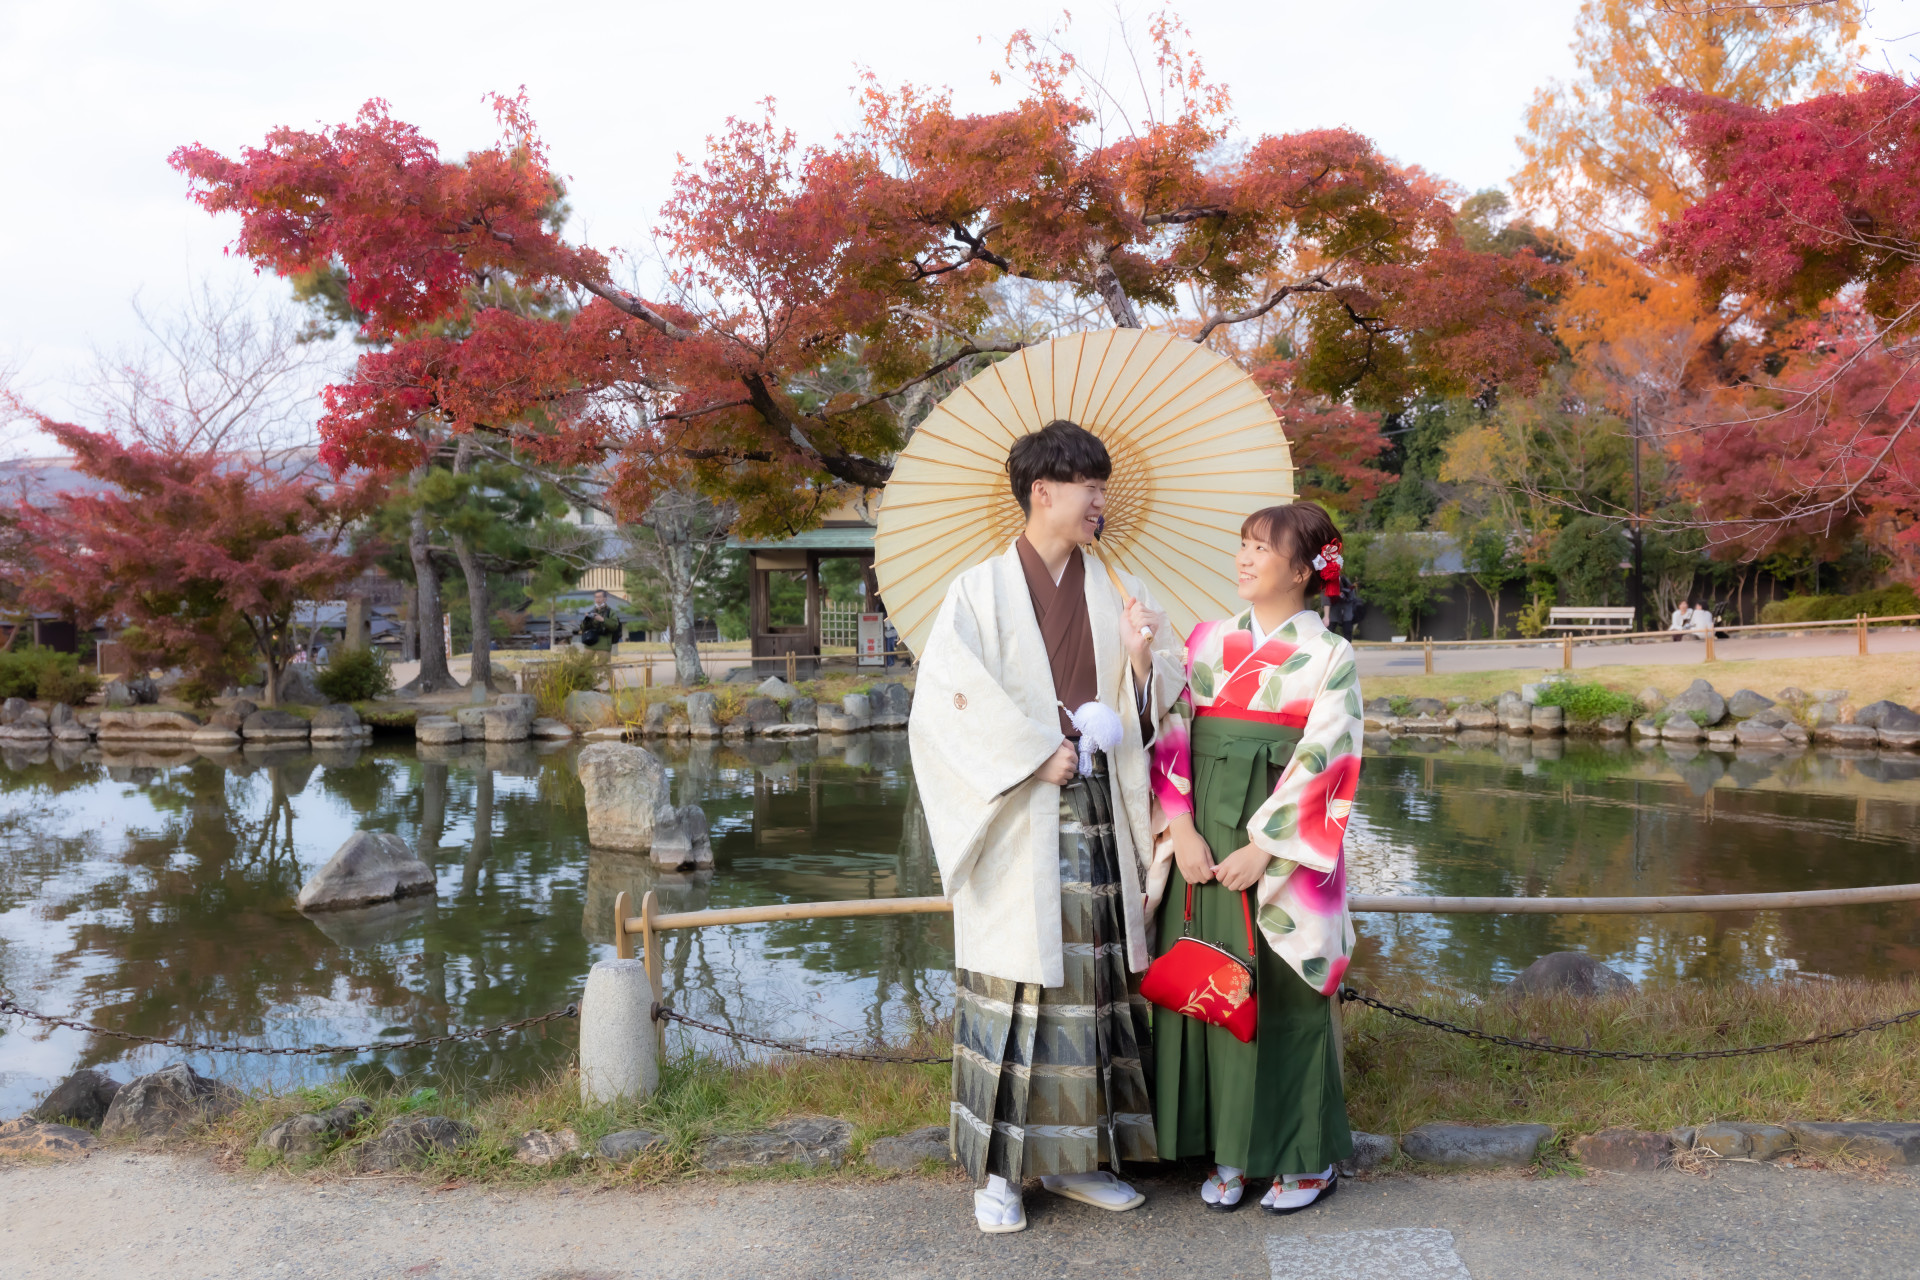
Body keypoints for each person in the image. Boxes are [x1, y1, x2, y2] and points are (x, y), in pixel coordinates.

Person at [909, 419, 1186, 1235]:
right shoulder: (978, 591)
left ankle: (1081, 1158)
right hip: (1019, 816)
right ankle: (999, 1172)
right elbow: (947, 704)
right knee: (1015, 994)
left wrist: (1139, 666)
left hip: (1096, 810)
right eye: (1089, 487)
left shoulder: (1118, 589)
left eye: (1102, 487)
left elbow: (1159, 701)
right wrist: (1036, 755)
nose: (1101, 501)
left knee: (1092, 988)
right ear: (1043, 492)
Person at [1146, 501, 1359, 1215]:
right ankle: (1229, 1150)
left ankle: (1305, 1158)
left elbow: (1330, 759)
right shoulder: (1207, 641)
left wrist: (1264, 848)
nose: (1243, 558)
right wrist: (1179, 828)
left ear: (1304, 569)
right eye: (1241, 545)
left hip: (1281, 842)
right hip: (1203, 833)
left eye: (1260, 548)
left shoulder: (1331, 656)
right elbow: (1171, 728)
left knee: (1285, 989)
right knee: (1211, 981)